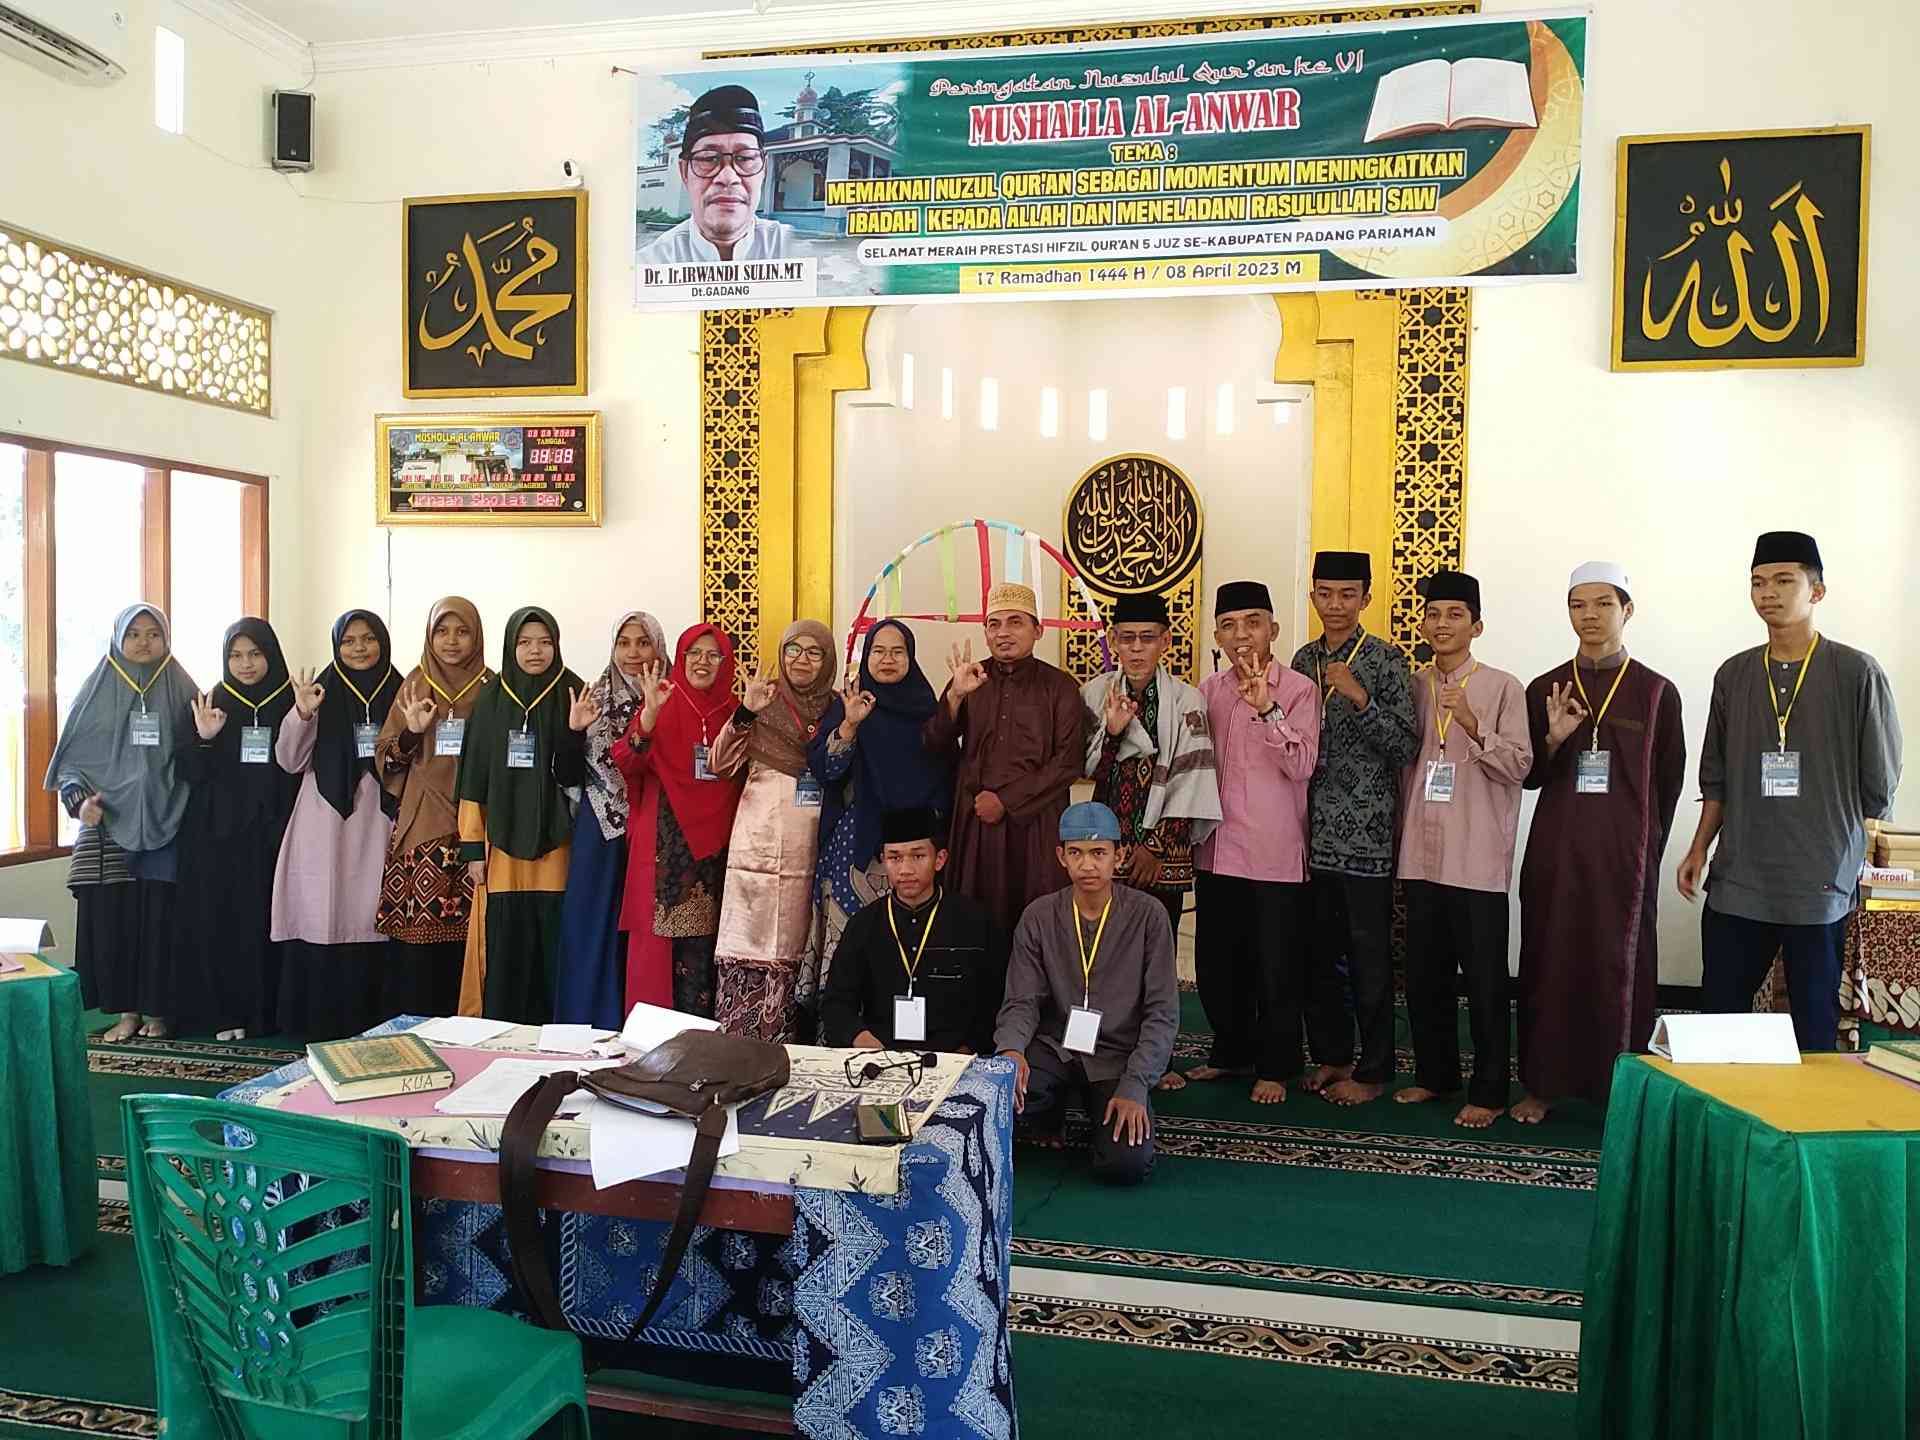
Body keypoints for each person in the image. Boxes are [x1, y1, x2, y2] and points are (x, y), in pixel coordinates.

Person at [1679, 531, 1903, 1051]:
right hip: (1740, 876)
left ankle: (1805, 1128)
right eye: (1758, 582)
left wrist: (1859, 861)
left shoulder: (1856, 672)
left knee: (1813, 1029)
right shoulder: (1733, 674)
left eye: (1784, 580)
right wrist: (1698, 848)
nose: (1768, 593)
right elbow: (1716, 777)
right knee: (1719, 1017)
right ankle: (1722, 1124)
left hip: (1819, 882)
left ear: (1816, 592)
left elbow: (1880, 784)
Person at [1516, 563, 1686, 1120]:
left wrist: (1647, 848)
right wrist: (1555, 737)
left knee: (1619, 968)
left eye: (1602, 604)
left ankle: (1620, 1089)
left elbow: (1668, 781)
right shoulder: (1546, 687)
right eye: (1577, 605)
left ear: (1627, 610)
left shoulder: (1658, 693)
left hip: (1624, 858)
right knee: (1550, 960)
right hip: (1557, 854)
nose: (1588, 616)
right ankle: (1542, 1086)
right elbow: (1529, 776)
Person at [1396, 571, 1532, 1128]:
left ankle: (1491, 1088)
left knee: (1483, 981)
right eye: (1434, 614)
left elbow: (1519, 766)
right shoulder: (1413, 685)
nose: (1442, 624)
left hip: (1475, 859)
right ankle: (1435, 1075)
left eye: (1455, 615)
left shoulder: (1502, 687)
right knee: (1424, 975)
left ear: (1476, 626)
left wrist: (1475, 727)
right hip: (1420, 855)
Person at [1289, 551, 1420, 1105]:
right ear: (1313, 596)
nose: (1335, 605)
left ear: (1366, 598)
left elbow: (1405, 744)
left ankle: (1374, 1071)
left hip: (1365, 838)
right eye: (1325, 593)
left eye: (1347, 595)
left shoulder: (1387, 661)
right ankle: (1334, 1055)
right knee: (1318, 956)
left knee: (1369, 960)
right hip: (1309, 835)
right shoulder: (1301, 658)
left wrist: (1360, 698)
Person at [994, 802, 1179, 1185]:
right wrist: (1010, 1053)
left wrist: (1136, 1083)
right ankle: (1051, 1109)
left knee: (1126, 1164)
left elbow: (1162, 1012)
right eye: (1076, 853)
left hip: (1117, 1056)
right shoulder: (1039, 916)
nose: (1088, 865)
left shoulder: (1149, 916)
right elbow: (1021, 1000)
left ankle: (1092, 1111)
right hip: (1054, 1047)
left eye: (1099, 853)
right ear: (1061, 856)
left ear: (1120, 855)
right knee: (996, 1107)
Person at [1188, 580, 1320, 1103]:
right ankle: (1230, 1053)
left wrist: (1268, 710)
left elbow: (1303, 764)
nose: (1241, 635)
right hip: (1218, 846)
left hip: (1274, 851)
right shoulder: (1210, 690)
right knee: (1220, 962)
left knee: (1277, 965)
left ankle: (1277, 1064)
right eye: (1229, 625)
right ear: (1217, 634)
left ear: (1274, 630)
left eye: (1252, 623)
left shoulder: (1299, 690)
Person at [46, 605, 199, 1042]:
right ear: (117, 638)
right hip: (110, 826)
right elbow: (71, 765)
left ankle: (159, 1011)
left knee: (159, 922)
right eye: (134, 634)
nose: (144, 642)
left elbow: (200, 752)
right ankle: (127, 1013)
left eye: (154, 633)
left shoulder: (182, 685)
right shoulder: (96, 689)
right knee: (118, 924)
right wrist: (80, 805)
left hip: (169, 821)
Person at [803, 619, 951, 1031]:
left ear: (911, 657)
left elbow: (946, 780)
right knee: (848, 954)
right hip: (855, 854)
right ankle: (842, 1037)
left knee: (905, 953)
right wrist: (850, 724)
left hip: (913, 857)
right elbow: (826, 770)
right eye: (878, 651)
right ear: (866, 657)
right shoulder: (849, 704)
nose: (887, 659)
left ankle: (902, 1038)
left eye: (897, 651)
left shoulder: (928, 709)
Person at [925, 582, 1087, 934]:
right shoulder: (970, 679)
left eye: (1015, 622)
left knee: (1037, 925)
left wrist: (1006, 801)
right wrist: (954, 695)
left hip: (1036, 827)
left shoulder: (1060, 687)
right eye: (994, 624)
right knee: (974, 924)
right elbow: (936, 745)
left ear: (1037, 630)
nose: (1003, 633)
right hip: (976, 826)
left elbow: (1069, 762)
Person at [456, 607, 591, 1024]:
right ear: (511, 645)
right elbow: (473, 776)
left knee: (553, 943)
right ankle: (505, 1033)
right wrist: (473, 847)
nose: (535, 651)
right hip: (503, 851)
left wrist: (574, 732)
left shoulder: (574, 691)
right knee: (507, 946)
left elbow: (591, 776)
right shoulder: (492, 698)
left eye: (545, 642)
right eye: (525, 642)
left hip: (560, 846)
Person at [167, 618, 299, 1040]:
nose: (246, 664)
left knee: (270, 921)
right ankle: (229, 1013)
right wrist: (205, 738)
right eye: (235, 655)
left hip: (277, 831)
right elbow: (188, 771)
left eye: (255, 654)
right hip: (220, 835)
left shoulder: (291, 701)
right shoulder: (212, 700)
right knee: (226, 923)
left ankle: (270, 1012)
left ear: (271, 654)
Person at [271, 610, 399, 1039]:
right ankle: (321, 1023)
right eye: (349, 641)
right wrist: (302, 715)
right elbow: (289, 760)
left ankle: (372, 1022)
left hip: (379, 818)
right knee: (326, 911)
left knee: (370, 917)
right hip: (324, 821)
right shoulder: (320, 691)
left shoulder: (401, 690)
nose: (360, 648)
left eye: (368, 639)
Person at [709, 620, 838, 1041]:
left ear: (827, 660)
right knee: (751, 938)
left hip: (818, 841)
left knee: (805, 941)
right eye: (793, 650)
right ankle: (744, 1044)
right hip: (758, 844)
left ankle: (798, 1048)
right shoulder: (762, 701)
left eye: (813, 652)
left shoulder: (839, 706)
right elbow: (720, 763)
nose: (801, 659)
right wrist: (746, 712)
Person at [611, 624, 745, 1017]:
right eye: (694, 653)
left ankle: (702, 1050)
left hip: (717, 853)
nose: (703, 662)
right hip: (664, 851)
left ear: (726, 662)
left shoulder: (736, 711)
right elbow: (627, 761)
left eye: (713, 654)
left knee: (705, 961)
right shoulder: (663, 700)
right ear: (681, 657)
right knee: (659, 963)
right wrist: (648, 716)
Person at [1079, 591, 1221, 953]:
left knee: (1157, 953)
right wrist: (1112, 734)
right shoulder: (1095, 695)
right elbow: (1091, 773)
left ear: (1165, 640)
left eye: (1147, 637)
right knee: (1104, 953)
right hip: (1107, 849)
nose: (1137, 649)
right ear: (1113, 641)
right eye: (1127, 638)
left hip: (1163, 855)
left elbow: (1193, 781)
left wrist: (1154, 848)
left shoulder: (1186, 700)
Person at [374, 597, 491, 1020]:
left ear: (476, 635)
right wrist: (411, 733)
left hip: (477, 828)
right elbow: (386, 760)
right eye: (442, 631)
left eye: (461, 631)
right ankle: (415, 1028)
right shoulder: (414, 684)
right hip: (423, 826)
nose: (452, 641)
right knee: (418, 945)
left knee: (471, 941)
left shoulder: (492, 686)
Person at [555, 610, 666, 1030]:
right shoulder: (591, 696)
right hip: (600, 829)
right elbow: (565, 775)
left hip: (655, 829)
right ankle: (587, 1026)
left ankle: (638, 1027)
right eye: (624, 643)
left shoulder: (673, 694)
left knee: (644, 938)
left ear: (658, 646)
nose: (634, 652)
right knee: (591, 927)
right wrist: (573, 732)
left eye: (643, 642)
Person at [820, 806, 1006, 1053]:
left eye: (917, 856)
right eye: (895, 858)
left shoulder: (974, 920)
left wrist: (967, 1049)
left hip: (953, 1058)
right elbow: (836, 1004)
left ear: (939, 860)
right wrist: (863, 1040)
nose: (905, 869)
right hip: (881, 1056)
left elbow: (994, 1000)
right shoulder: (864, 924)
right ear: (883, 860)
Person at [638, 84, 794, 265]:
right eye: (709, 158)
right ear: (684, 172)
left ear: (764, 169)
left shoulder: (793, 249)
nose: (728, 178)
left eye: (744, 158)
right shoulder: (649, 266)